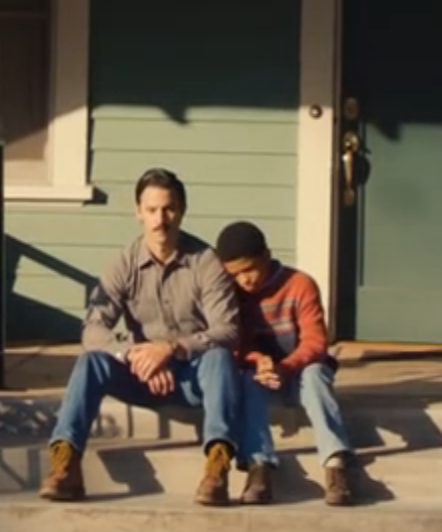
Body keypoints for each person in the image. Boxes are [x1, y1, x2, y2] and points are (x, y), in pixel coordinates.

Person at [40, 168, 248, 506]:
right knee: (91, 361)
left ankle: (217, 467)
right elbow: (93, 329)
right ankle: (66, 463)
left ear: (182, 210)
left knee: (219, 358)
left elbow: (227, 330)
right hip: (140, 375)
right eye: (151, 210)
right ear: (138, 211)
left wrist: (171, 349)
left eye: (168, 209)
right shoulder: (123, 262)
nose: (160, 220)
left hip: (193, 376)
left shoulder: (205, 262)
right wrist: (136, 354)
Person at [214, 220, 359, 506]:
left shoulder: (300, 284)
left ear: (266, 256)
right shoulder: (232, 295)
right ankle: (258, 466)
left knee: (316, 376)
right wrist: (258, 361)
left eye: (249, 269)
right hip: (263, 374)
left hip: (301, 369)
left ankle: (335, 464)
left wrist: (287, 367)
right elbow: (235, 344)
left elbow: (316, 342)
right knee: (247, 381)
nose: (245, 280)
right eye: (235, 274)